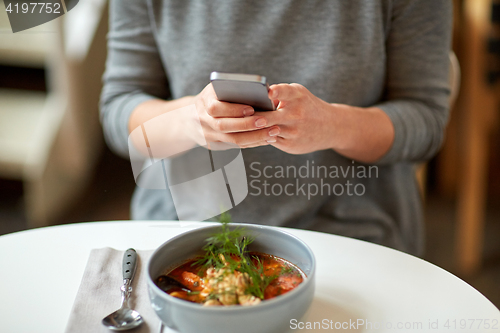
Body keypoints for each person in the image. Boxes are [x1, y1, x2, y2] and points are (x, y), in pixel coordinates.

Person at [100, 0, 452, 256]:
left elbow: (425, 123)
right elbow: (119, 110)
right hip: (182, 235)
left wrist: (334, 126)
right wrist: (190, 120)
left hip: (350, 236)